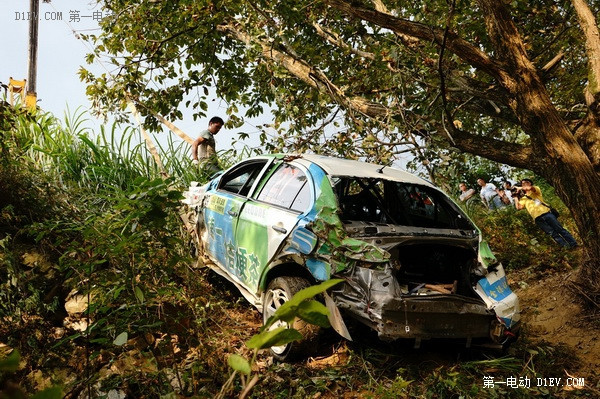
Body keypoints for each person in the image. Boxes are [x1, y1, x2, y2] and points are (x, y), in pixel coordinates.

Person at [513, 178, 578, 248]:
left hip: (547, 214)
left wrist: (520, 188)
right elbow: (518, 208)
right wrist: (515, 197)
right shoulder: (523, 198)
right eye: (522, 183)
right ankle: (566, 247)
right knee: (552, 234)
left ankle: (573, 244)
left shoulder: (535, 190)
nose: (524, 184)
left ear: (530, 183)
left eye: (526, 182)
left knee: (560, 229)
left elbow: (530, 188)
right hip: (538, 219)